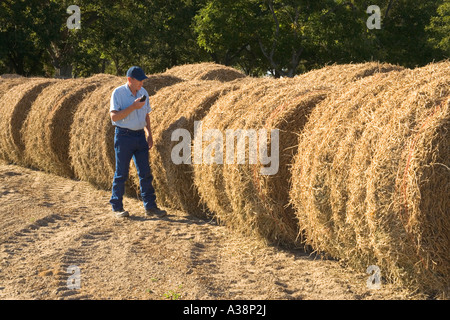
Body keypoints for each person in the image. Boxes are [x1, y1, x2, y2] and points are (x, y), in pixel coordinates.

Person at [109, 66, 167, 218]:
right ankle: (117, 207)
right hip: (124, 136)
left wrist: (149, 134)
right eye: (139, 80)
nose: (142, 82)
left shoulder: (144, 92)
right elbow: (114, 117)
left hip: (140, 136)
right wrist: (133, 106)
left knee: (145, 173)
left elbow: (146, 115)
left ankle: (150, 207)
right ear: (130, 80)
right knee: (121, 173)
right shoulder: (118, 93)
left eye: (143, 79)